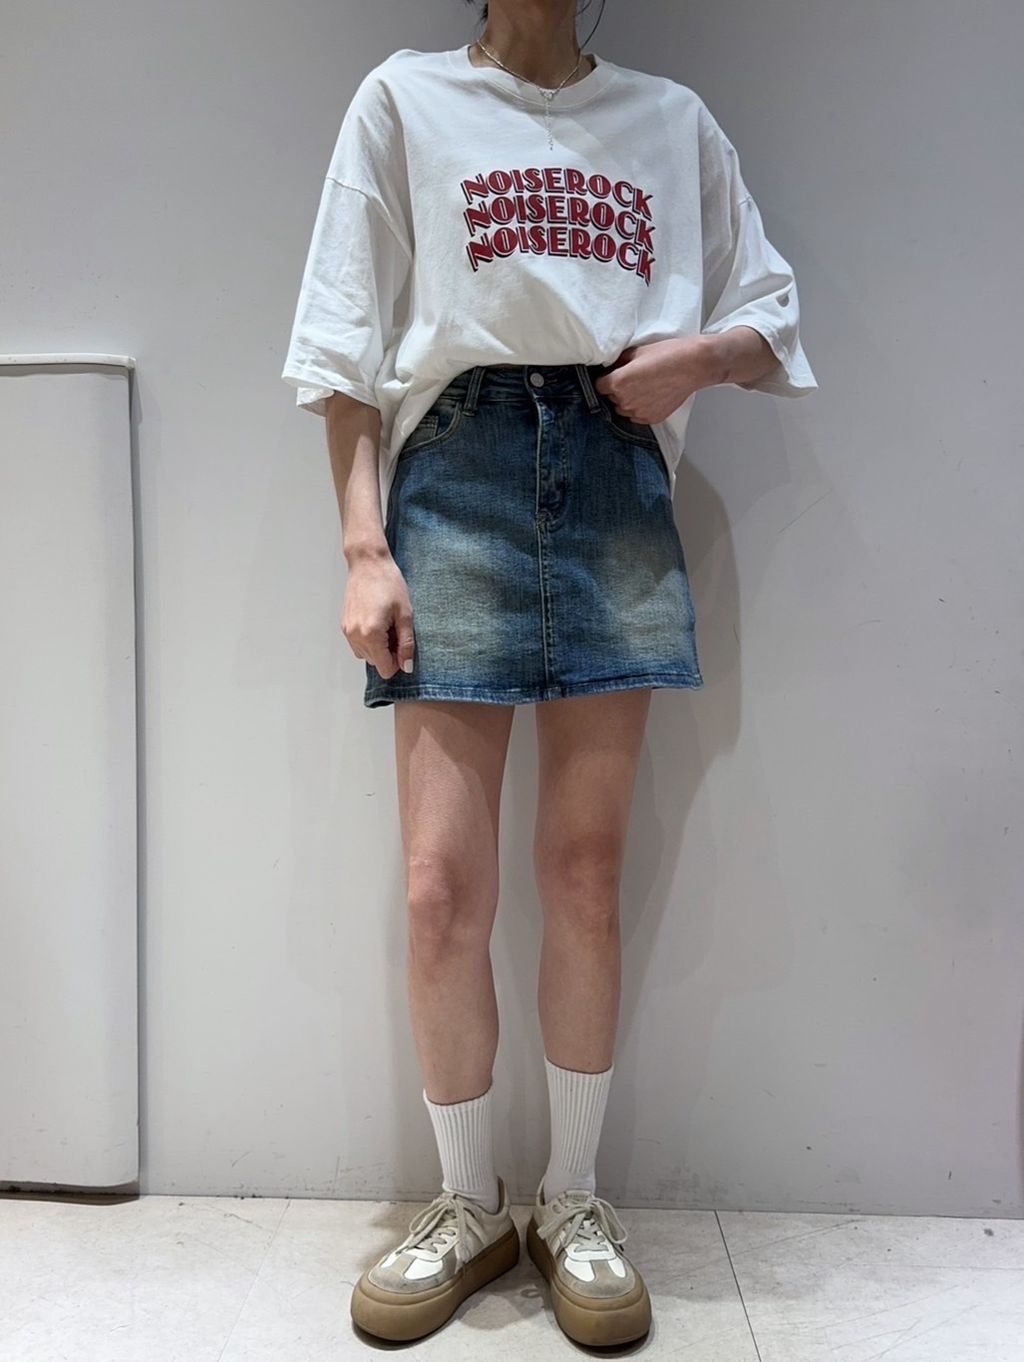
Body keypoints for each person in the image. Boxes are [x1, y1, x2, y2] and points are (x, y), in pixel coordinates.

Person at [281, 0, 818, 1346]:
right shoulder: (404, 102)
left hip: (609, 480)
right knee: (438, 889)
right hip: (451, 482)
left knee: (583, 873)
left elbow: (771, 312)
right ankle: (469, 1202)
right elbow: (342, 339)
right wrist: (363, 548)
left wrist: (691, 358)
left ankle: (572, 1197)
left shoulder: (669, 121)